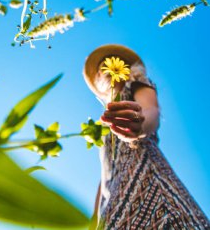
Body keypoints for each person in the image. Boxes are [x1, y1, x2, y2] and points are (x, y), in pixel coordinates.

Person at [83, 44, 210, 230]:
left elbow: (151, 111)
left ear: (125, 68)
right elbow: (105, 171)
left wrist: (138, 126)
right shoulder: (104, 119)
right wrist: (94, 219)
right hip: (111, 199)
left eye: (109, 64)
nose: (106, 71)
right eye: (101, 70)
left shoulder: (137, 85)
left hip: (144, 176)